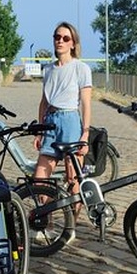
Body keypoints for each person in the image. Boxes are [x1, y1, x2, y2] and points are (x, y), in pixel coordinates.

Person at [33, 22, 92, 228]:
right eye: (57, 37)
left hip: (70, 121)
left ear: (73, 43)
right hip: (50, 121)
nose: (60, 41)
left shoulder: (81, 68)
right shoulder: (48, 69)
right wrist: (39, 130)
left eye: (65, 38)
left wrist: (85, 133)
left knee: (72, 177)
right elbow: (43, 101)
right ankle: (47, 222)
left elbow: (86, 103)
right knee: (40, 178)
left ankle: (70, 226)